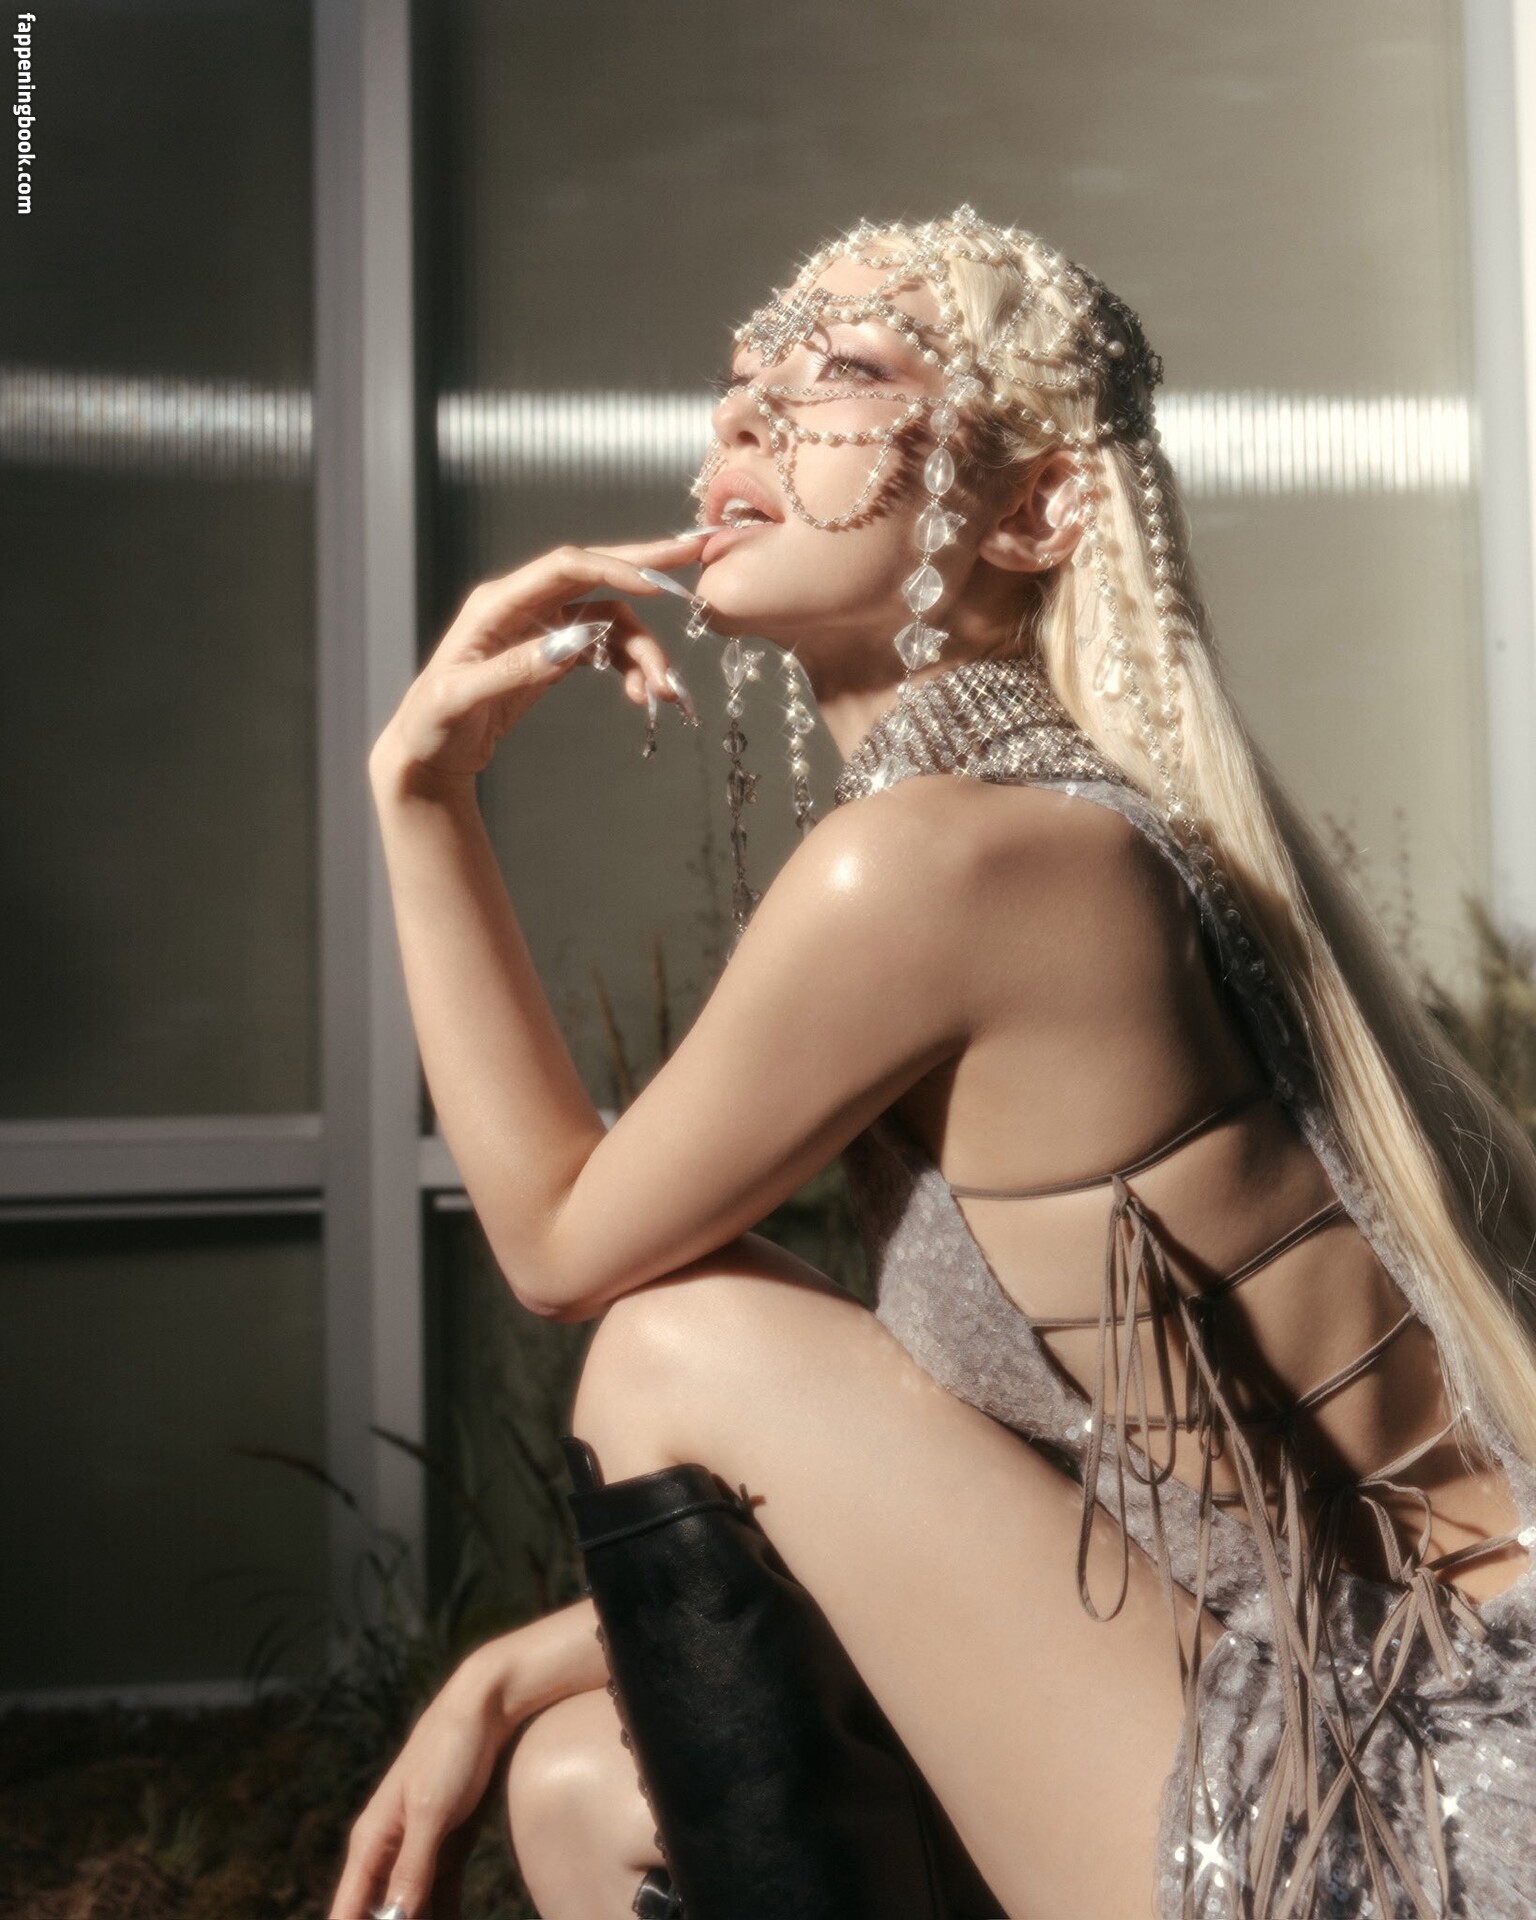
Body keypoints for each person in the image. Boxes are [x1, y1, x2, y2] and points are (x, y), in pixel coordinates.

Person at [330, 210, 1536, 1920]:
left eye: (837, 369)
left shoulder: (951, 864)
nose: (743, 414)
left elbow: (557, 1245)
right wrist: (514, 1667)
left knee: (683, 1338)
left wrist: (424, 793)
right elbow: (1080, 1501)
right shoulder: (1061, 834)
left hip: (1441, 1798)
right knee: (586, 1782)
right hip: (1340, 1689)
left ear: (1033, 510)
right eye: (740, 378)